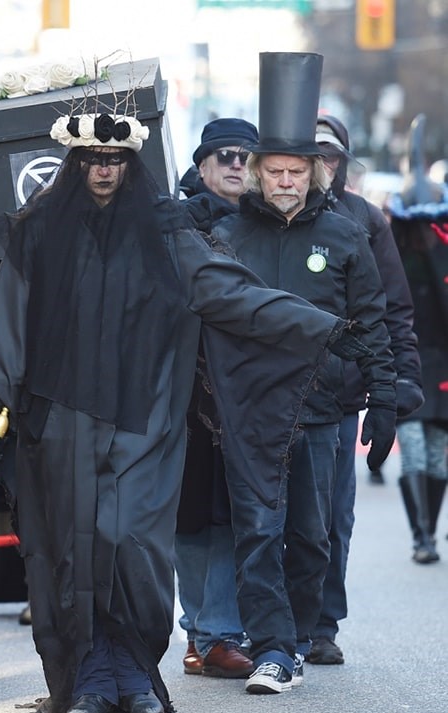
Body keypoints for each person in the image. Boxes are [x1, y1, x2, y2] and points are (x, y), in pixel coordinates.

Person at [0, 98, 372, 713]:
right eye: (92, 158)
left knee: (134, 549)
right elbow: (5, 320)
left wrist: (322, 326)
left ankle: (135, 674)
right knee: (74, 551)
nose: (102, 170)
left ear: (131, 162)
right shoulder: (37, 230)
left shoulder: (165, 229)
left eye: (115, 158)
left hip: (145, 417)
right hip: (59, 419)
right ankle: (91, 681)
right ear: (74, 161)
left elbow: (230, 293)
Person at [211, 52, 397, 694]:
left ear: (314, 174)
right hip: (251, 413)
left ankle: (300, 630)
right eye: (275, 171)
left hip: (321, 411)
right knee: (257, 532)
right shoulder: (229, 237)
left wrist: (387, 399)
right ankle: (275, 648)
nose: (286, 182)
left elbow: (372, 319)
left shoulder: (347, 236)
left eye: (296, 172)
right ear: (257, 175)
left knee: (312, 537)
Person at [306, 115, 423, 664]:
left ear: (345, 161)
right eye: (314, 155)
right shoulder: (263, 215)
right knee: (270, 514)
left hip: (341, 392)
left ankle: (323, 624)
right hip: (268, 392)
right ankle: (270, 622)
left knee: (333, 515)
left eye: (331, 156)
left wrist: (400, 382)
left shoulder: (365, 219)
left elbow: (395, 309)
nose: (321, 166)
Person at [174, 117, 259, 679]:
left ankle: (217, 632)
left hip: (250, 393)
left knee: (234, 514)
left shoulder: (270, 226)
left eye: (243, 156)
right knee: (189, 516)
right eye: (222, 155)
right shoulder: (174, 225)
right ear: (201, 167)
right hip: (182, 392)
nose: (233, 163)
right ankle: (204, 631)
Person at [386, 113, 448, 565]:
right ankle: (421, 536)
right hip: (405, 364)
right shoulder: (390, 252)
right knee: (414, 454)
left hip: (442, 365)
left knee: (438, 455)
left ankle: (427, 531)